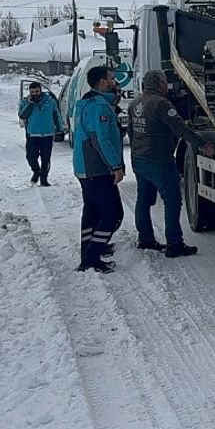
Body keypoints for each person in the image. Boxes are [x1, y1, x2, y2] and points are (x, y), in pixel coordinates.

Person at [128, 70, 213, 258]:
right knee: (172, 201)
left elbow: (131, 132)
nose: (167, 85)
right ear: (159, 84)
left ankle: (145, 238)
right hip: (159, 160)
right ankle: (174, 243)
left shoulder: (135, 103)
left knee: (143, 200)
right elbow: (181, 129)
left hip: (140, 159)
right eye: (165, 82)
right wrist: (203, 145)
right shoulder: (161, 104)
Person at [72, 65, 126, 273]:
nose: (116, 82)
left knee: (92, 211)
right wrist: (115, 165)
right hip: (96, 169)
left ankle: (90, 247)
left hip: (86, 167)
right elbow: (100, 139)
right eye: (112, 78)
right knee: (113, 214)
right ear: (103, 83)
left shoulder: (89, 103)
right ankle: (92, 257)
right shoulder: (98, 107)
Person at [18, 81, 62, 186]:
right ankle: (36, 171)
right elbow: (22, 115)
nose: (35, 94)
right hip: (32, 134)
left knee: (46, 158)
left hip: (47, 134)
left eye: (37, 91)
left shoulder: (49, 101)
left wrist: (59, 127)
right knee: (31, 157)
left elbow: (56, 114)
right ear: (29, 92)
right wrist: (30, 104)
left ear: (40, 90)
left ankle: (44, 179)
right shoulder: (25, 102)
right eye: (32, 92)